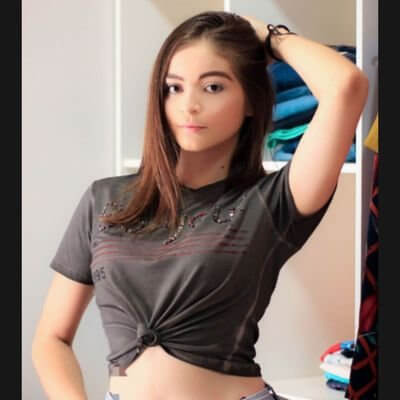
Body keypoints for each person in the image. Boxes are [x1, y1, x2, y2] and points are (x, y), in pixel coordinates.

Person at [31, 11, 368, 400]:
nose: (189, 105)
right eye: (174, 87)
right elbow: (51, 339)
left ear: (251, 100)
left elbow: (346, 85)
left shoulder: (272, 201)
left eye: (212, 87)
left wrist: (268, 35)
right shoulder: (105, 200)